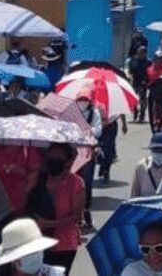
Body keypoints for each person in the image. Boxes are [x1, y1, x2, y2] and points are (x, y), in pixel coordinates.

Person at [25, 143, 85, 272]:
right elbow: (26, 200)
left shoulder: (75, 183)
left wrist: (49, 224)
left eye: (58, 159)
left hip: (64, 245)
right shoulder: (39, 179)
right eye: (51, 158)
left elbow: (76, 217)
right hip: (38, 241)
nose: (54, 162)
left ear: (68, 161)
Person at [0, 217, 64, 276]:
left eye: (39, 249)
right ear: (15, 259)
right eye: (31, 251)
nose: (38, 254)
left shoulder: (54, 274)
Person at [74, 92, 104, 232]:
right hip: (74, 153)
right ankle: (75, 216)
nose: (82, 102)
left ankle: (86, 212)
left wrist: (84, 130)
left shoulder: (94, 113)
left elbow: (98, 131)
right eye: (80, 99)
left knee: (87, 184)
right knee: (74, 183)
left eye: (85, 99)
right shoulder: (72, 114)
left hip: (88, 152)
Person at [130, 132, 162, 198]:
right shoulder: (141, 167)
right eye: (156, 149)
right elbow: (134, 195)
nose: (159, 153)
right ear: (151, 150)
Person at [98, 113, 128, 183]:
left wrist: (124, 124)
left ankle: (106, 170)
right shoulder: (95, 103)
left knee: (107, 148)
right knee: (99, 149)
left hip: (111, 126)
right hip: (98, 125)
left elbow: (121, 111)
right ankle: (102, 164)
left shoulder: (115, 102)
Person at [129, 46, 151, 123]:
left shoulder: (148, 62)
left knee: (143, 101)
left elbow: (150, 73)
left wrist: (146, 81)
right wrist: (130, 77)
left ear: (145, 53)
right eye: (139, 52)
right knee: (133, 99)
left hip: (143, 83)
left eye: (142, 53)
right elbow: (130, 70)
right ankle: (135, 111)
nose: (140, 54)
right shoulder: (133, 60)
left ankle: (142, 115)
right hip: (135, 82)